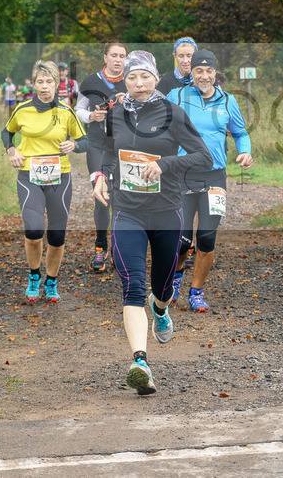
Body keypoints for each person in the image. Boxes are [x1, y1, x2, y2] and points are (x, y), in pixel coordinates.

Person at [92, 50, 212, 395]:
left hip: (165, 211)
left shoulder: (173, 113)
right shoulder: (116, 114)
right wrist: (102, 174)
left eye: (145, 76)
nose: (139, 83)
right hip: (127, 210)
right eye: (132, 77)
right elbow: (108, 149)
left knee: (160, 287)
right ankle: (140, 362)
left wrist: (166, 164)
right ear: (124, 81)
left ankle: (160, 308)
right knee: (132, 285)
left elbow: (203, 156)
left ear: (156, 78)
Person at [166, 49, 252, 312]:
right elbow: (156, 121)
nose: (204, 76)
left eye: (209, 71)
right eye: (198, 71)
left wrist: (245, 150)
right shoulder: (177, 96)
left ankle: (196, 291)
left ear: (216, 73)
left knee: (206, 238)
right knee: (180, 238)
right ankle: (175, 278)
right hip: (182, 174)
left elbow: (240, 132)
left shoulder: (228, 101)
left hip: (214, 175)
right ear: (190, 73)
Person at [3, 60, 89, 303]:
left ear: (57, 83)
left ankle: (51, 280)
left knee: (57, 235)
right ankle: (33, 275)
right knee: (33, 230)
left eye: (49, 81)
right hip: (29, 175)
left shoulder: (66, 111)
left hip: (59, 177)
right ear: (34, 83)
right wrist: (11, 150)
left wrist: (74, 144)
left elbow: (86, 140)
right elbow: (6, 132)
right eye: (39, 81)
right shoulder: (22, 110)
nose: (44, 86)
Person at [75, 41, 128, 272]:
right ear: (105, 57)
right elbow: (78, 109)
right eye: (114, 55)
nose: (118, 60)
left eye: (122, 56)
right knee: (101, 194)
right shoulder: (90, 81)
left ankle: (119, 248)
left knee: (120, 198)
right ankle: (100, 248)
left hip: (122, 147)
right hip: (98, 145)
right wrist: (90, 116)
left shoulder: (133, 79)